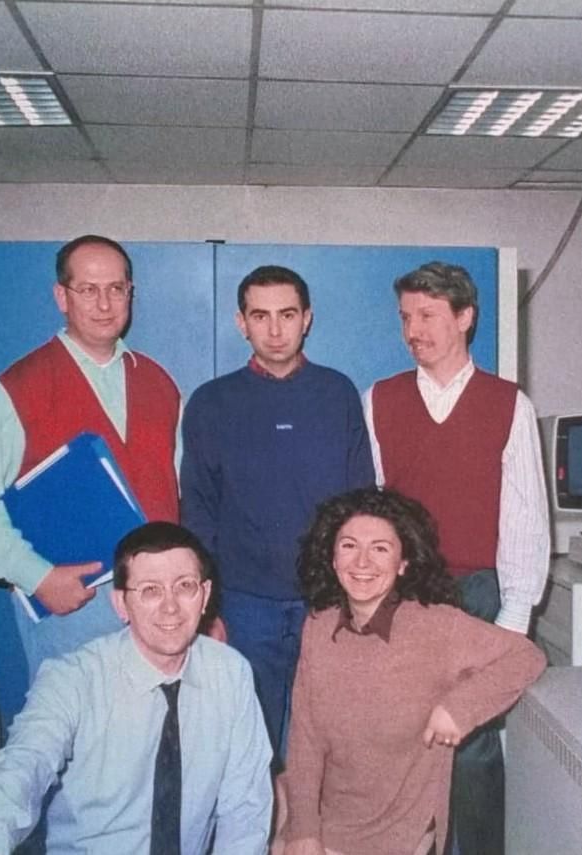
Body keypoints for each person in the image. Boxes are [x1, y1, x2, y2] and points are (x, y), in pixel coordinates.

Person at [363, 261, 550, 854]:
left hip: (478, 595)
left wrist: (513, 620)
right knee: (403, 741)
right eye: (405, 317)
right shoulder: (381, 399)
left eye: (426, 315)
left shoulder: (507, 404)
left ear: (465, 317)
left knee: (470, 747)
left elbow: (525, 517)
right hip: (404, 598)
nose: (412, 330)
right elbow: (371, 510)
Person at [0, 235, 182, 676]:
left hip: (158, 602)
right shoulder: (21, 387)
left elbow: (178, 493)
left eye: (116, 288)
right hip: (75, 604)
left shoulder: (159, 384)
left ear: (131, 293)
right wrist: (36, 576)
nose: (104, 304)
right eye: (88, 289)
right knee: (74, 718)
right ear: (61, 296)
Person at [0, 521, 273, 855]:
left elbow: (245, 811)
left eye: (185, 586)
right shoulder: (74, 679)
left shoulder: (230, 673)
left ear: (205, 595)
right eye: (150, 590)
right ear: (121, 604)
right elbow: (20, 771)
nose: (170, 606)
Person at [278, 488, 545, 855]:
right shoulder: (318, 627)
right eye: (349, 546)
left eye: (380, 549)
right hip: (329, 820)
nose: (362, 562)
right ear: (332, 558)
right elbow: (305, 739)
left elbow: (526, 657)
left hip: (400, 832)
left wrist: (460, 707)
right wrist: (304, 828)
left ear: (403, 563)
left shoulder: (436, 626)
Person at [181, 264, 373, 764]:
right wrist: (208, 608)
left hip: (326, 601)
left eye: (287, 315)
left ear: (307, 319)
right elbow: (197, 510)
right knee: (249, 747)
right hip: (244, 605)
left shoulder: (337, 394)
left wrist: (357, 597)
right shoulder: (211, 403)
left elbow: (362, 504)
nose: (274, 329)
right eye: (260, 316)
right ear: (241, 322)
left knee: (327, 746)